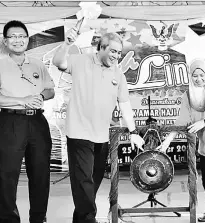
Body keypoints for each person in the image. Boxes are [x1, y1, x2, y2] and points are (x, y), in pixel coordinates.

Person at [52, 27, 144, 223]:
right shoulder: (81, 61)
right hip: (79, 133)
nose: (116, 56)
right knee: (83, 181)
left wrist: (133, 131)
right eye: (112, 51)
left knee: (92, 182)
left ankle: (81, 219)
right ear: (101, 48)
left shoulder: (117, 74)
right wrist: (67, 44)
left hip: (102, 135)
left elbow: (125, 103)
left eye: (119, 53)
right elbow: (58, 62)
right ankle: (88, 219)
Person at [0, 20, 55, 223]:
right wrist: (21, 101)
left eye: (22, 36)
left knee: (41, 174)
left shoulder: (38, 64)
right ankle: (8, 219)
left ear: (28, 40)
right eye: (13, 37)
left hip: (38, 122)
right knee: (9, 174)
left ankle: (38, 218)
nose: (18, 40)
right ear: (5, 42)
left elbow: (51, 90)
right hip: (10, 122)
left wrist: (40, 96)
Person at [157, 59, 205, 223]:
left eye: (202, 75)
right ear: (190, 76)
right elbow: (182, 119)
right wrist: (168, 140)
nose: (199, 79)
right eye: (195, 75)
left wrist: (204, 121)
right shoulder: (188, 95)